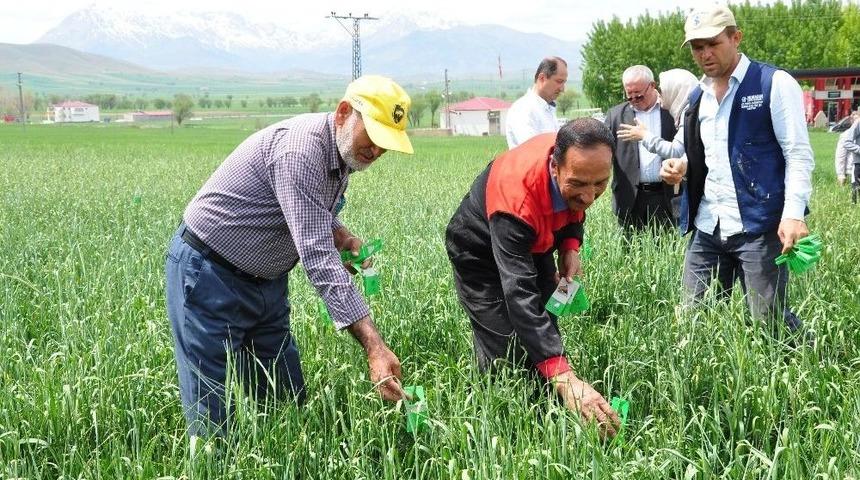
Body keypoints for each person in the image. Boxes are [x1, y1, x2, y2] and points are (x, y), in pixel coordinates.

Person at [165, 75, 412, 438]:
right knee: (211, 414)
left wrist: (340, 234)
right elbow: (317, 257)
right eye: (372, 136)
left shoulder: (339, 155)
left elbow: (307, 209)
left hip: (266, 284)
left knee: (286, 406)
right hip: (209, 275)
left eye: (385, 145)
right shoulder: (300, 151)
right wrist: (374, 347)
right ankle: (211, 463)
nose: (376, 151)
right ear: (344, 113)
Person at [445, 118, 621, 438]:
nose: (589, 195)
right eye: (579, 184)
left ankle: (548, 405)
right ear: (555, 167)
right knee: (505, 345)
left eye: (601, 183)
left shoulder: (577, 158)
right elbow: (520, 295)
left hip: (533, 240)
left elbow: (575, 209)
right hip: (478, 251)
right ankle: (502, 428)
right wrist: (565, 378)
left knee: (546, 318)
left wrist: (570, 246)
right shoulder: (517, 201)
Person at [660, 6, 815, 342]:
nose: (705, 54)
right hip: (708, 225)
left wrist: (793, 214)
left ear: (736, 37)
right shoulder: (698, 96)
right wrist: (681, 166)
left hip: (759, 227)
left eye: (713, 43)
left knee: (769, 323)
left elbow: (798, 153)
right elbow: (706, 155)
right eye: (697, 47)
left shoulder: (773, 83)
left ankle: (814, 357)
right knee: (693, 319)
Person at [605, 65, 679, 230]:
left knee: (666, 245)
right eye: (629, 95)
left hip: (666, 198)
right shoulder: (615, 116)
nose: (634, 100)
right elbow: (603, 153)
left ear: (652, 85)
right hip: (630, 200)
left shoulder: (672, 111)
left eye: (638, 95)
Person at [505, 57, 568, 148]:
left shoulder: (547, 108)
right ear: (542, 78)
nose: (562, 89)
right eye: (559, 81)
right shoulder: (522, 109)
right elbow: (533, 150)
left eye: (564, 82)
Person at [836, 112, 860, 192]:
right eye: (855, 120)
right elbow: (840, 156)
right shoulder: (846, 135)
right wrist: (841, 174)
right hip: (851, 170)